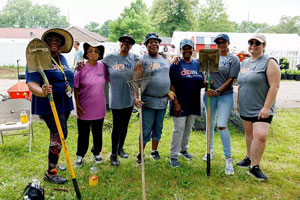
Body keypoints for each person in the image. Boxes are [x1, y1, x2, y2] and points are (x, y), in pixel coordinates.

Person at [26, 28, 74, 184]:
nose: (55, 42)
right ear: (45, 43)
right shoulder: (37, 58)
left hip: (64, 103)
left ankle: (55, 158)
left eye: (58, 40)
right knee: (60, 135)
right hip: (48, 104)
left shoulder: (62, 59)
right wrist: (42, 91)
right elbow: (32, 83)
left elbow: (66, 75)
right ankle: (51, 172)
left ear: (61, 45)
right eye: (51, 39)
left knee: (57, 135)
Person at [237, 34, 280, 181]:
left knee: (260, 135)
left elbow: (274, 86)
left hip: (261, 108)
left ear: (264, 46)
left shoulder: (269, 62)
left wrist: (267, 107)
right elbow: (241, 85)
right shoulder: (244, 63)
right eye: (251, 42)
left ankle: (254, 167)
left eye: (257, 43)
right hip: (245, 106)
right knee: (249, 134)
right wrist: (238, 103)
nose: (253, 45)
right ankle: (249, 158)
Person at [202, 33, 240, 175]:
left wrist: (217, 91)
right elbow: (204, 74)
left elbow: (231, 79)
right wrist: (206, 83)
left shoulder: (233, 59)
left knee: (221, 125)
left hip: (224, 96)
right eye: (218, 42)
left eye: (223, 42)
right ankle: (209, 150)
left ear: (228, 43)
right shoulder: (210, 56)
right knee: (209, 124)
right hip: (209, 96)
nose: (221, 44)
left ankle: (228, 158)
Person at [101, 34, 139, 166]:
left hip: (128, 99)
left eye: (129, 42)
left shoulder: (134, 58)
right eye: (124, 41)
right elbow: (95, 65)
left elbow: (147, 61)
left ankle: (120, 148)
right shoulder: (110, 58)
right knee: (116, 127)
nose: (126, 44)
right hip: (116, 99)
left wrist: (164, 56)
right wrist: (83, 64)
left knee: (124, 127)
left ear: (131, 45)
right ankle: (113, 154)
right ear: (120, 43)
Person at [135, 33, 170, 165]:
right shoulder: (142, 60)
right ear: (146, 45)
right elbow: (135, 80)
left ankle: (154, 151)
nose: (154, 44)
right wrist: (135, 98)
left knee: (158, 128)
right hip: (148, 100)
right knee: (146, 129)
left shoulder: (165, 59)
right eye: (150, 42)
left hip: (163, 100)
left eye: (156, 42)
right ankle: (140, 154)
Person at [169, 39, 205, 167]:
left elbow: (199, 81)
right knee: (178, 128)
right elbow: (171, 84)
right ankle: (173, 155)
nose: (187, 50)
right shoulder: (176, 64)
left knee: (188, 127)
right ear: (181, 50)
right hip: (180, 102)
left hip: (193, 102)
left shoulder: (197, 64)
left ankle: (183, 149)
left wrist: (207, 84)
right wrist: (175, 102)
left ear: (193, 50)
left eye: (189, 48)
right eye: (184, 48)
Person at [74, 42, 107, 167]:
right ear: (86, 54)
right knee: (83, 133)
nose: (93, 53)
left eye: (96, 51)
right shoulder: (81, 69)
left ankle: (96, 153)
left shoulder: (103, 67)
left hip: (99, 106)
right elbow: (75, 87)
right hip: (84, 107)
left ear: (99, 54)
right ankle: (80, 155)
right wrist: (77, 104)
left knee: (98, 132)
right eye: (90, 51)